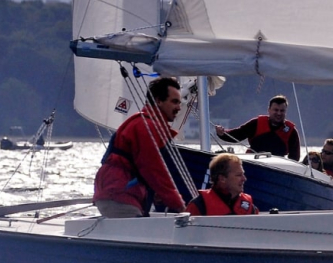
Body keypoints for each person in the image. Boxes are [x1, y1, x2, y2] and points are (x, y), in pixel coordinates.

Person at [94, 76, 188, 218]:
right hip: (119, 195)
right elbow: (154, 169)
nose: (179, 108)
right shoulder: (147, 127)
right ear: (158, 101)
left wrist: (156, 192)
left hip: (115, 193)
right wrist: (177, 202)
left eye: (179, 103)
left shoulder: (143, 123)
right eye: (174, 102)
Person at [215, 95, 301, 161]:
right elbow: (237, 135)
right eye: (276, 110)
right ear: (269, 110)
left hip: (278, 166)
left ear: (285, 112)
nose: (279, 113)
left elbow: (295, 157)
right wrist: (222, 133)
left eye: (282, 111)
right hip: (254, 162)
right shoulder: (256, 123)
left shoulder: (292, 132)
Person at [186, 153, 259, 216]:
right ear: (222, 179)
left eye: (243, 174)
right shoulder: (199, 205)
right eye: (239, 175)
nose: (244, 179)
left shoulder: (250, 207)